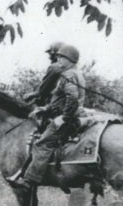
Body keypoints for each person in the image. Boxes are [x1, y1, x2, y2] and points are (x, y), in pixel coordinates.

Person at [10, 44, 86, 193]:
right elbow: (63, 99)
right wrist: (46, 108)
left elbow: (72, 98)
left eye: (61, 57)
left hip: (67, 117)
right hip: (67, 113)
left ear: (69, 59)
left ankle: (29, 180)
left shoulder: (69, 74)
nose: (58, 59)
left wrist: (64, 118)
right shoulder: (75, 72)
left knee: (41, 144)